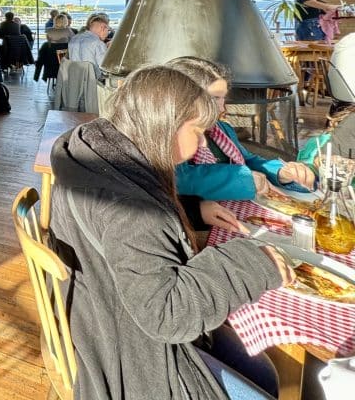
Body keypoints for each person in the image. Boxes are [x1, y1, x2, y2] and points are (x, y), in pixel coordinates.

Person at [50, 65, 293, 400]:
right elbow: (165, 315)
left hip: (101, 318)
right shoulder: (133, 208)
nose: (203, 141)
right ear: (165, 127)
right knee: (264, 386)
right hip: (137, 359)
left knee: (264, 372)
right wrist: (256, 261)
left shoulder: (94, 152)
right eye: (198, 131)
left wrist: (193, 210)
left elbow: (128, 243)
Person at [169, 56, 316, 201]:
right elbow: (180, 180)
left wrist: (281, 172)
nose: (222, 108)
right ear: (184, 99)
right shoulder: (173, 138)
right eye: (214, 98)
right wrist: (242, 178)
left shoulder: (222, 130)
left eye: (223, 98)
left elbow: (247, 160)